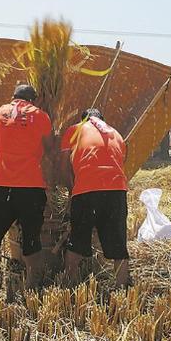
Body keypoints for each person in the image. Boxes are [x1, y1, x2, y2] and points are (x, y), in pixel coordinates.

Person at [0, 84, 51, 291]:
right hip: (30, 186)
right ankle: (32, 285)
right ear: (34, 100)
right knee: (32, 240)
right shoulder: (40, 116)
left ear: (13, 97)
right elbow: (49, 145)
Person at [61, 108, 130, 289]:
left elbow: (63, 165)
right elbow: (122, 161)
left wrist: (71, 189)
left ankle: (70, 285)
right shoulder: (116, 134)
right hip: (116, 191)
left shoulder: (75, 129)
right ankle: (122, 289)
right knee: (118, 246)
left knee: (77, 241)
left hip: (86, 190)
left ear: (84, 119)